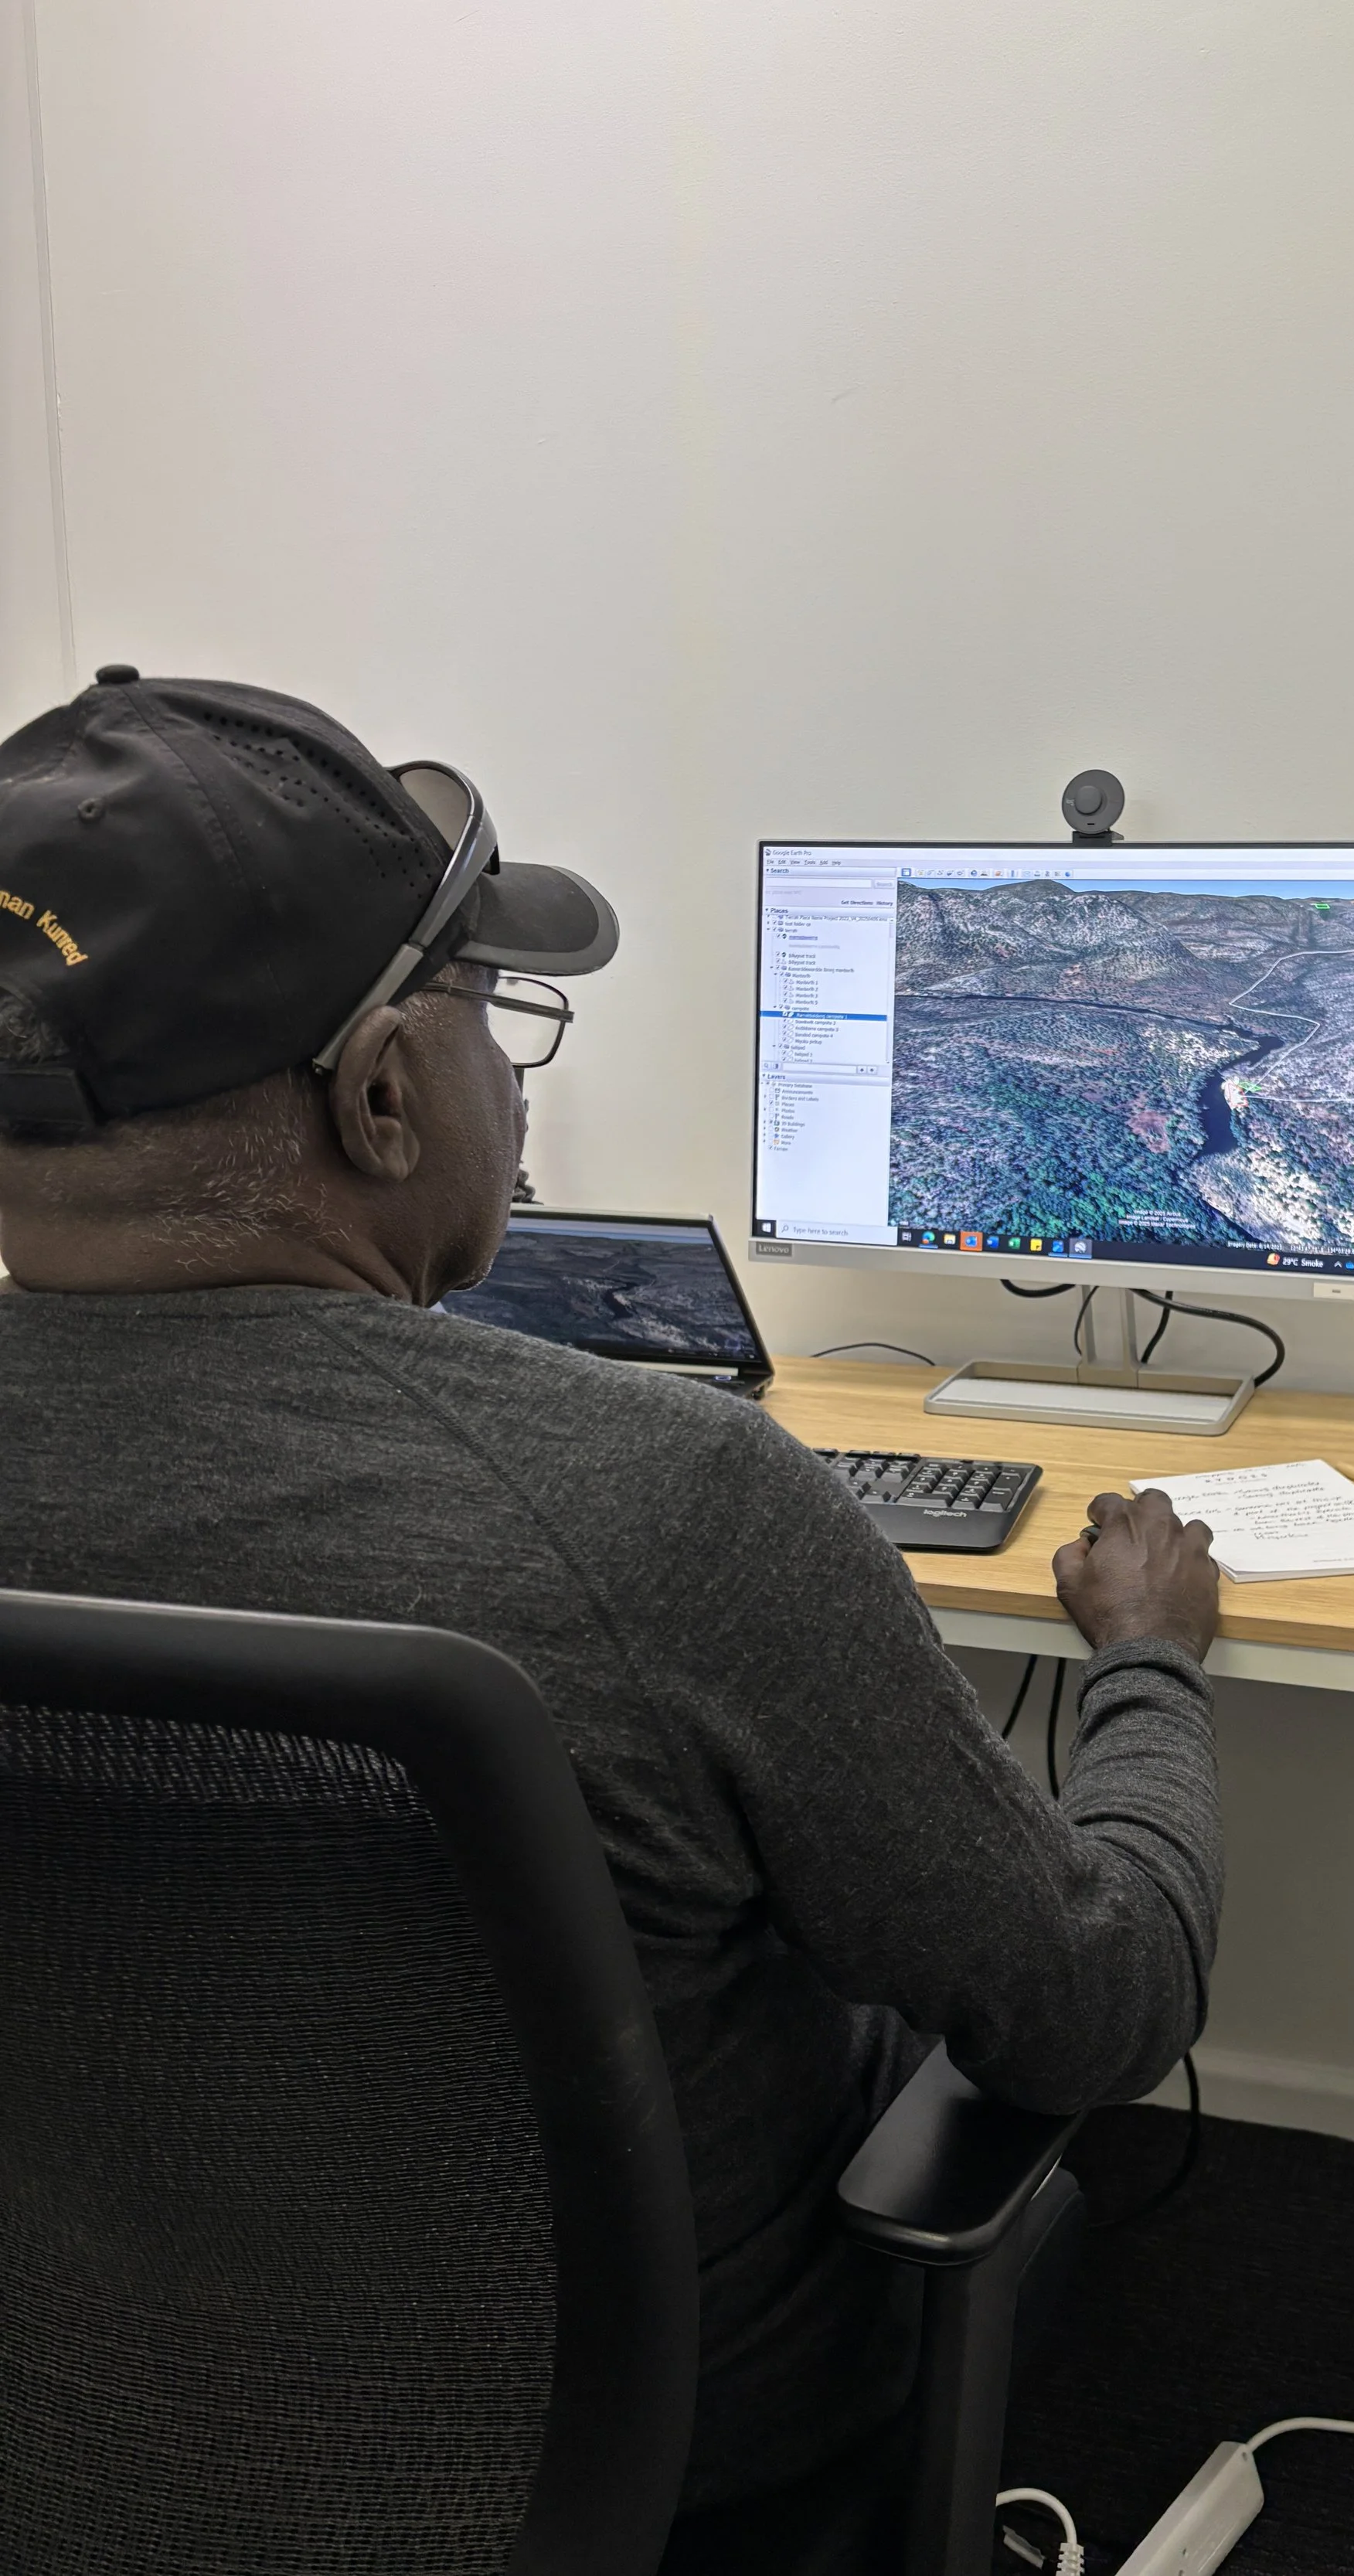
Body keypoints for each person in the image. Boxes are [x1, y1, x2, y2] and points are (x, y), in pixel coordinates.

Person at [0, 671, 1223, 2552]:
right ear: (383, 1094)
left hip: (73, 2399)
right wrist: (1144, 1666)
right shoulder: (665, 1504)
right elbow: (1097, 2005)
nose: (511, 1081)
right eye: (496, 1017)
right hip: (652, 2446)